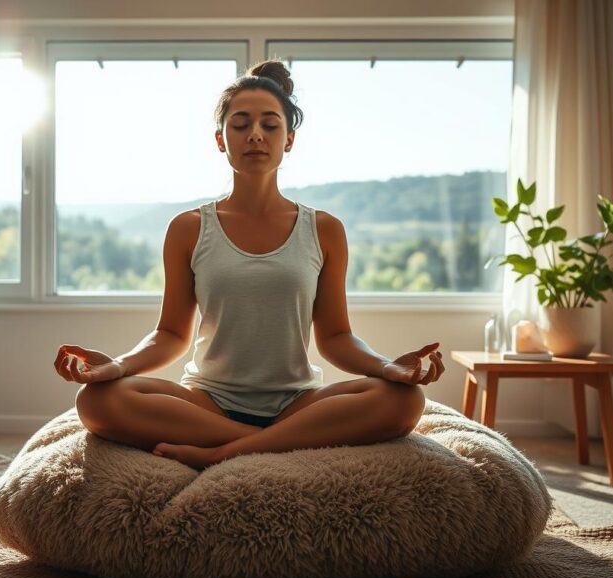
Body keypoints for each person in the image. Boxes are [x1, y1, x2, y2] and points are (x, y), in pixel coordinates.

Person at [54, 60, 444, 470]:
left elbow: (336, 337)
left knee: (404, 400)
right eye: (240, 124)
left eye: (270, 125)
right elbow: (169, 334)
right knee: (97, 401)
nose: (255, 134)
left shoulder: (325, 229)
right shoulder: (188, 228)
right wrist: (117, 365)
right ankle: (276, 445)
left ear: (289, 139)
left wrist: (387, 367)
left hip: (297, 401)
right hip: (207, 403)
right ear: (220, 140)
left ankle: (226, 452)